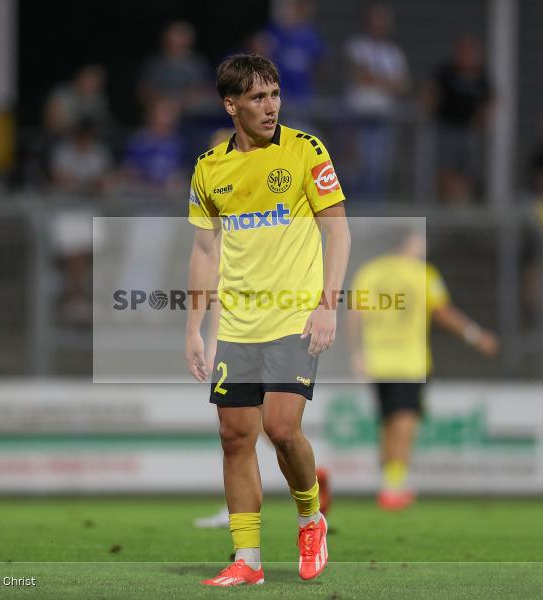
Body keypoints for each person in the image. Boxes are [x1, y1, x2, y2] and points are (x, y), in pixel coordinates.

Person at [185, 54, 350, 586]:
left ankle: (310, 517)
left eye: (275, 94)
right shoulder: (210, 168)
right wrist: (193, 327)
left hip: (295, 318)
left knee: (281, 429)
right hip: (236, 324)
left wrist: (328, 304)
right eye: (257, 97)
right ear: (231, 105)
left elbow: (338, 232)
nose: (270, 106)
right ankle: (247, 560)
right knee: (235, 438)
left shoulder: (305, 150)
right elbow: (205, 250)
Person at [347, 230, 498, 510]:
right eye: (420, 242)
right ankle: (394, 485)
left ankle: (389, 482)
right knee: (406, 418)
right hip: (409, 361)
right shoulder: (423, 274)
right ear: (407, 244)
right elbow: (443, 312)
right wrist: (476, 336)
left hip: (378, 359)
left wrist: (357, 352)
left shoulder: (371, 271)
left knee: (389, 419)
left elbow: (355, 313)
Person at [344, 3, 409, 201]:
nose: (379, 26)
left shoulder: (393, 53)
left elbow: (404, 85)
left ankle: (375, 214)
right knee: (357, 167)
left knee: (379, 169)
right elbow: (359, 76)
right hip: (359, 117)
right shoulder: (356, 46)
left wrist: (375, 77)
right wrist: (388, 80)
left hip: (383, 118)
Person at [424, 35, 493, 204]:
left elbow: (491, 100)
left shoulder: (480, 76)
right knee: (445, 170)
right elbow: (431, 92)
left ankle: (463, 206)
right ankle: (444, 204)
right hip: (447, 128)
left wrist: (483, 118)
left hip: (469, 131)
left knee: (469, 173)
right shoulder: (447, 72)